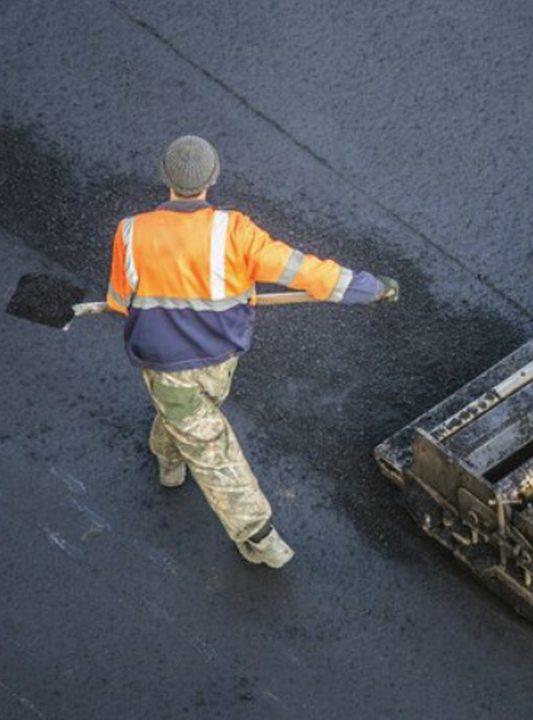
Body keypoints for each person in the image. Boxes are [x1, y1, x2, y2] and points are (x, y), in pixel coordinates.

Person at [105, 135, 398, 568]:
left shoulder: (130, 232)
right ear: (213, 178)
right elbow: (306, 271)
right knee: (212, 447)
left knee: (189, 418)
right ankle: (258, 535)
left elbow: (117, 299)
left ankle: (168, 459)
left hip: (165, 366)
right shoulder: (235, 231)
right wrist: (371, 288)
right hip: (221, 359)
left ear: (164, 178)